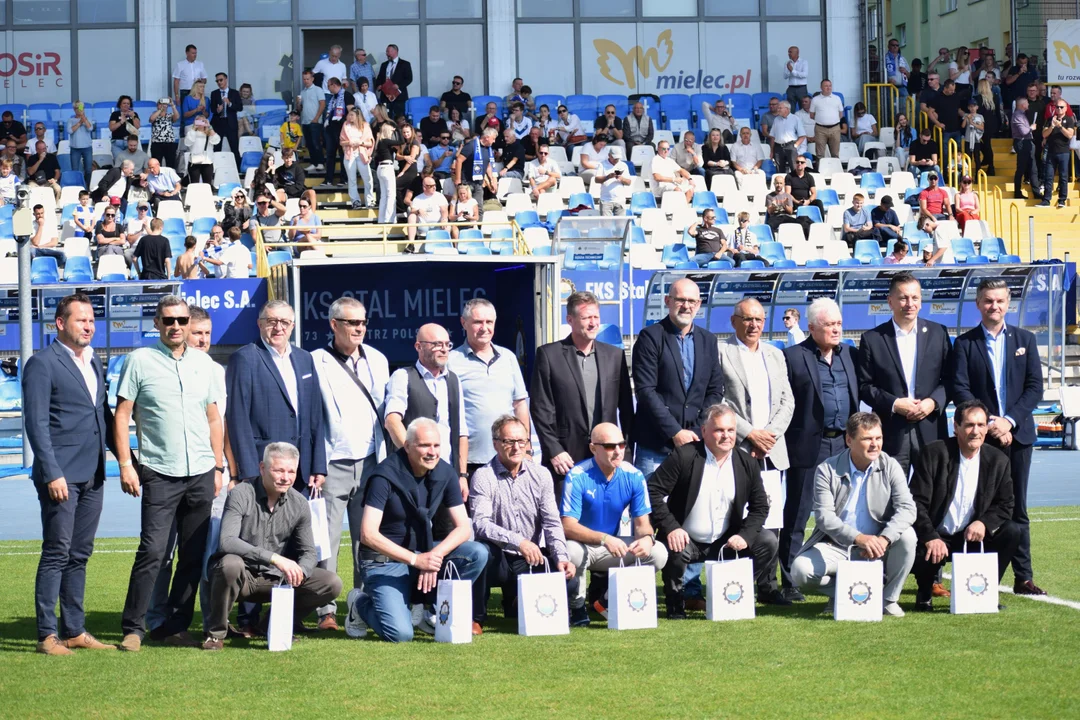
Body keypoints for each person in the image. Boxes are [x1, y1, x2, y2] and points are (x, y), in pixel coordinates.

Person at [115, 296, 225, 652]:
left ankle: (175, 626)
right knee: (153, 551)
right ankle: (134, 627)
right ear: (157, 323)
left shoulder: (204, 364)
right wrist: (125, 464)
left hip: (201, 471)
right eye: (168, 320)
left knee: (193, 556)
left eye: (180, 320)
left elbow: (213, 417)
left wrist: (219, 464)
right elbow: (122, 415)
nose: (175, 326)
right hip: (160, 471)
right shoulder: (139, 361)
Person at [25, 294, 115, 655]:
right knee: (57, 552)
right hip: (60, 476)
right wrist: (51, 473)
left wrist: (128, 461)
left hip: (93, 473)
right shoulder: (41, 364)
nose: (89, 326)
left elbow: (102, 416)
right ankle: (47, 634)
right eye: (81, 320)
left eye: (92, 320)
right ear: (60, 324)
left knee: (80, 553)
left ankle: (75, 630)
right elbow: (36, 424)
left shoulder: (94, 362)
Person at [344, 418, 489, 641]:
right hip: (383, 561)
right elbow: (368, 534)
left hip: (423, 553)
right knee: (400, 635)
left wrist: (433, 556)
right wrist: (415, 560)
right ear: (408, 445)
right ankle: (360, 603)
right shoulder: (384, 476)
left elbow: (463, 528)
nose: (432, 452)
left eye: (436, 445)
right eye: (424, 445)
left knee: (477, 553)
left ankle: (430, 607)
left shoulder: (446, 472)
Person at [948, 278, 1045, 596]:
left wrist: (1009, 422)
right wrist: (990, 423)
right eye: (988, 301)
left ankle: (1023, 577)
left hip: (1017, 437)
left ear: (1009, 304)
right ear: (978, 304)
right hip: (981, 438)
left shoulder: (1025, 340)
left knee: (1018, 508)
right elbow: (959, 388)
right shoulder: (964, 344)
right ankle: (972, 574)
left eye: (1000, 301)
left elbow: (1034, 388)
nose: (995, 306)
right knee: (977, 506)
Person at [649, 404, 790, 619]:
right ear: (704, 431)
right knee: (675, 547)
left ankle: (732, 590)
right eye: (719, 430)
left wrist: (745, 536)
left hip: (727, 541)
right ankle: (675, 602)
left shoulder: (747, 463)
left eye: (731, 430)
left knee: (767, 542)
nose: (726, 436)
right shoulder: (683, 456)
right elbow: (652, 492)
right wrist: (672, 528)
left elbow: (760, 506)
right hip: (688, 539)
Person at [203, 442, 343, 650]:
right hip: (241, 578)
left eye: (291, 471)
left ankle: (274, 624)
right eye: (278, 470)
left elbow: (308, 552)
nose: (285, 477)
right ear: (262, 468)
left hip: (277, 579)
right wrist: (275, 558)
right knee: (230, 564)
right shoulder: (241, 493)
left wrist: (300, 571)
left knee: (331, 582)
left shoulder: (299, 503)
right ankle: (215, 634)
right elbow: (227, 541)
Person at [310, 297, 390, 630]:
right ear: (333, 324)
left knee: (367, 539)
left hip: (372, 461)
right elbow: (312, 418)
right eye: (351, 323)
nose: (358, 328)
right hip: (333, 463)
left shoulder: (379, 359)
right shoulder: (315, 361)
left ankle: (362, 603)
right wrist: (316, 464)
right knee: (325, 540)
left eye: (362, 323)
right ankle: (325, 610)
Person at [790, 412, 917, 617]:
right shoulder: (826, 469)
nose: (875, 444)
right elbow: (824, 517)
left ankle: (888, 599)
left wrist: (884, 539)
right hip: (838, 546)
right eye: (867, 438)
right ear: (849, 440)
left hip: (879, 547)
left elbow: (908, 508)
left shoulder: (890, 465)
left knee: (908, 536)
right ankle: (846, 592)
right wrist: (858, 539)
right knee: (800, 571)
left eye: (878, 438)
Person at [780, 298, 859, 601]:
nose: (836, 329)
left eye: (838, 324)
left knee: (843, 514)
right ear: (812, 328)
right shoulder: (793, 357)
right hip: (808, 447)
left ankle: (841, 575)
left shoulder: (850, 356)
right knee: (798, 514)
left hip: (844, 445)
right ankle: (789, 582)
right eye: (829, 325)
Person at [909, 400, 1022, 613]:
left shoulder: (998, 460)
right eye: (970, 425)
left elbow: (1006, 504)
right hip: (936, 536)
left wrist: (984, 522)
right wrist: (930, 536)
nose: (976, 431)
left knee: (1012, 531)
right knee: (911, 538)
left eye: (981, 425)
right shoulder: (934, 453)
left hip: (971, 537)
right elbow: (916, 502)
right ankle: (924, 592)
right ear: (956, 427)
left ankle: (986, 590)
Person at [470, 414, 575, 623]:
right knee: (480, 553)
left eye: (521, 441)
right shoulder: (483, 476)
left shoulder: (542, 474)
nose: (517, 447)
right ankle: (477, 618)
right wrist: (519, 541)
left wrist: (561, 557)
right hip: (497, 556)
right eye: (509, 442)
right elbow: (481, 524)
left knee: (566, 577)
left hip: (529, 557)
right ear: (496, 444)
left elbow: (552, 522)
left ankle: (515, 601)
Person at [562, 422, 668, 626]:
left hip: (613, 546)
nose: (618, 451)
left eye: (621, 444)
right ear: (593, 448)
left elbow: (642, 524)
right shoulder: (577, 475)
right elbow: (567, 526)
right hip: (583, 545)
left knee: (658, 553)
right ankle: (577, 607)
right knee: (570, 551)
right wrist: (603, 538)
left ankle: (607, 601)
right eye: (610, 446)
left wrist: (646, 538)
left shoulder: (634, 476)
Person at [531, 292, 634, 497]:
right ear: (570, 319)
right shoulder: (549, 355)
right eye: (586, 318)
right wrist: (554, 450)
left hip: (608, 456)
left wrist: (626, 453)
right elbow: (541, 409)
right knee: (566, 524)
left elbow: (627, 410)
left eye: (596, 317)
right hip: (566, 459)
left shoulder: (614, 355)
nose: (593, 323)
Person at [226, 299, 326, 500]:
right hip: (264, 468)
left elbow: (315, 415)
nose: (278, 327)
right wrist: (248, 471)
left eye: (284, 322)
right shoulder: (245, 358)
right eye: (271, 321)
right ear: (260, 324)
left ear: (292, 326)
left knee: (298, 529)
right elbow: (238, 418)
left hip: (301, 468)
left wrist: (318, 466)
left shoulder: (305, 358)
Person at [856, 272, 950, 481]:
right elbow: (864, 386)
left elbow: (951, 379)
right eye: (903, 298)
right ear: (890, 301)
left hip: (931, 428)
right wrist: (895, 403)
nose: (910, 303)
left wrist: (932, 402)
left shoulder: (938, 333)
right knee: (889, 495)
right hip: (891, 431)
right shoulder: (872, 339)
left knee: (934, 495)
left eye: (915, 298)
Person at [631, 278, 724, 480]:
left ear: (699, 305)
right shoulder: (650, 337)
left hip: (696, 443)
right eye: (680, 300)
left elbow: (715, 391)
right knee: (652, 510)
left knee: (691, 510)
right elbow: (646, 392)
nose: (686, 306)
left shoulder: (708, 340)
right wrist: (675, 432)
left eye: (692, 301)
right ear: (667, 301)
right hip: (656, 447)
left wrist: (697, 430)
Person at [448, 299, 530, 477]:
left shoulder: (508, 357)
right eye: (478, 322)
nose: (484, 328)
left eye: (489, 322)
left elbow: (520, 405)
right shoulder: (451, 361)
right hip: (469, 461)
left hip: (508, 457)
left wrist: (527, 449)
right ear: (464, 323)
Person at [385, 323, 469, 493]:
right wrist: (412, 458)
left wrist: (462, 475)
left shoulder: (453, 380)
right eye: (437, 344)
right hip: (412, 475)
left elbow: (461, 431)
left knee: (451, 520)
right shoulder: (403, 376)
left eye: (447, 344)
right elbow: (392, 421)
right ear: (419, 346)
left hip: (448, 473)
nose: (444, 349)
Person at [718, 298, 794, 472]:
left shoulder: (775, 355)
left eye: (758, 320)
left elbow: (787, 401)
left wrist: (767, 437)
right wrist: (750, 434)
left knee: (771, 500)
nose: (754, 325)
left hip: (772, 451)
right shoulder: (720, 352)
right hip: (736, 449)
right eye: (747, 319)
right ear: (733, 321)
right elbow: (718, 401)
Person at [1038, 96, 1075, 209]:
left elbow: (1069, 135)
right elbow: (1044, 134)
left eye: (1061, 107)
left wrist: (1060, 126)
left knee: (1063, 177)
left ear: (1065, 108)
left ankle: (1062, 200)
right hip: (1051, 152)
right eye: (1056, 107)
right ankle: (1046, 200)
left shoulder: (1069, 119)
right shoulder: (1050, 119)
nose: (1058, 109)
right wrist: (1052, 126)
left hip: (1063, 152)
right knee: (1049, 177)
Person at [453, 127, 498, 211]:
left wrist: (491, 179)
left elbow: (488, 165)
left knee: (478, 208)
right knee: (465, 207)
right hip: (466, 182)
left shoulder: (488, 149)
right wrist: (458, 179)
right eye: (493, 139)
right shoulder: (471, 145)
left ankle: (478, 224)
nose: (494, 141)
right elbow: (459, 160)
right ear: (487, 137)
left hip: (478, 183)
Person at [322, 77, 355, 188]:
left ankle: (344, 179)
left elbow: (352, 112)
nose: (328, 87)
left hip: (342, 130)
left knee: (342, 155)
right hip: (331, 130)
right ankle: (328, 179)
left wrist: (346, 123)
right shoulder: (333, 98)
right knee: (330, 155)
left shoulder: (347, 95)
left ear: (334, 85)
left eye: (329, 85)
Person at [340, 108, 375, 210]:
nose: (350, 117)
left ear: (357, 116)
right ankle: (355, 200)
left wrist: (360, 143)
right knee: (352, 179)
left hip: (362, 154)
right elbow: (341, 141)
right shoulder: (346, 126)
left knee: (368, 178)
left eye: (352, 115)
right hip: (350, 153)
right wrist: (349, 143)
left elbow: (371, 142)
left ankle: (370, 200)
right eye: (349, 115)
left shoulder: (365, 126)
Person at [372, 122, 403, 225]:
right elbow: (401, 142)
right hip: (387, 167)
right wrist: (398, 130)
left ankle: (382, 219)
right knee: (391, 195)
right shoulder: (385, 141)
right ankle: (389, 219)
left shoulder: (380, 142)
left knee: (384, 196)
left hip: (381, 168)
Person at [1011, 98, 1041, 201]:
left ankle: (1036, 192)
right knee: (1021, 168)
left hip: (1027, 142)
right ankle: (1017, 192)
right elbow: (1024, 131)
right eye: (1027, 103)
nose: (1028, 104)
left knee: (1033, 168)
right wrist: (1031, 127)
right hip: (1022, 142)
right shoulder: (1017, 115)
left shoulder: (1021, 115)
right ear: (1023, 105)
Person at [209, 73, 241, 168]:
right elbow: (212, 109)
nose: (219, 82)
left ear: (226, 79)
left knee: (234, 147)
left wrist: (230, 103)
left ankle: (238, 169)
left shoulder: (234, 93)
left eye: (221, 80)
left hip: (230, 123)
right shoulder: (214, 93)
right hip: (218, 123)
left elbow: (240, 107)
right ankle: (215, 168)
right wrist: (217, 110)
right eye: (217, 81)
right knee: (217, 147)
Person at [404, 174, 448, 244]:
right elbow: (412, 210)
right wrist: (418, 211)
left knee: (447, 224)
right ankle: (411, 243)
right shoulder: (417, 198)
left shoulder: (440, 196)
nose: (434, 187)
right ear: (424, 187)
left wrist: (444, 219)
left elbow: (444, 210)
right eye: (431, 186)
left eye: (434, 185)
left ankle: (446, 245)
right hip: (424, 225)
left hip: (438, 224)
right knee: (412, 216)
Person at [765, 172, 811, 240]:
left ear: (783, 184)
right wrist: (774, 206)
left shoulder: (788, 196)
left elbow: (790, 212)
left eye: (781, 183)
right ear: (774, 184)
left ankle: (806, 241)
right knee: (768, 226)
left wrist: (784, 205)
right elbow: (769, 211)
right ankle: (773, 243)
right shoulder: (769, 196)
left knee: (804, 222)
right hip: (776, 217)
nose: (779, 185)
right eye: (777, 183)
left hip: (786, 216)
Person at [173, 44, 207, 130]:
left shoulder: (200, 64)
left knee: (200, 111)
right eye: (192, 53)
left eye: (195, 53)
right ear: (187, 53)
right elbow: (176, 81)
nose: (194, 55)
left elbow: (205, 79)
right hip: (185, 91)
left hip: (197, 91)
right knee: (185, 114)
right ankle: (183, 136)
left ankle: (199, 129)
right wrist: (177, 96)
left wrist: (199, 81)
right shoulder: (180, 64)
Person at [298, 70, 326, 172]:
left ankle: (320, 162)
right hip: (305, 121)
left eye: (308, 79)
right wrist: (298, 103)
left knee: (316, 142)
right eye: (304, 79)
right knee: (309, 143)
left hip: (315, 121)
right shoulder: (302, 92)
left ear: (312, 79)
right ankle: (314, 162)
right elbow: (300, 109)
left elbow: (322, 104)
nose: (306, 81)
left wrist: (316, 118)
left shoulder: (318, 90)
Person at [809, 79, 845, 159]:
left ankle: (836, 170)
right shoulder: (815, 99)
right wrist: (822, 120)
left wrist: (832, 121)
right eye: (826, 86)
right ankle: (820, 170)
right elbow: (811, 115)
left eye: (830, 86)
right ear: (821, 87)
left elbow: (841, 114)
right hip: (820, 129)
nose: (828, 88)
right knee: (820, 154)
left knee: (835, 154)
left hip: (835, 129)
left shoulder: (837, 98)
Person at [375, 44, 413, 118]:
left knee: (399, 117)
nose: (387, 54)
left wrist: (399, 85)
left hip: (399, 96)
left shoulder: (405, 64)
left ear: (395, 51)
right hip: (386, 96)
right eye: (386, 52)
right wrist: (378, 85)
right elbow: (379, 78)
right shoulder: (384, 65)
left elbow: (409, 78)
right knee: (386, 116)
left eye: (388, 51)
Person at [768, 101, 805, 175]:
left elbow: (803, 135)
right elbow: (772, 136)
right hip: (778, 147)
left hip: (790, 146)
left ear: (787, 109)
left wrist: (795, 146)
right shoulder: (776, 120)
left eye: (780, 108)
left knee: (794, 168)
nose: (778, 109)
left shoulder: (795, 119)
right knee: (779, 169)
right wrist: (772, 151)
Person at [596, 146, 632, 216]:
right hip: (606, 200)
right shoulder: (602, 164)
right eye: (615, 158)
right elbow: (596, 180)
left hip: (620, 200)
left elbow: (629, 182)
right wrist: (608, 177)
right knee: (606, 226)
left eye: (618, 158)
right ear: (609, 155)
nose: (616, 160)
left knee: (621, 226)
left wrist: (621, 178)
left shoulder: (623, 165)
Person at [185, 117, 219, 190]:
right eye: (198, 121)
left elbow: (216, 140)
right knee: (194, 185)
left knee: (208, 184)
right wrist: (194, 129)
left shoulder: (209, 133)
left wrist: (209, 127)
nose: (200, 123)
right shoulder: (191, 132)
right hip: (194, 161)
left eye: (203, 121)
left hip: (207, 161)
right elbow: (188, 142)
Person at [67, 101, 95, 184]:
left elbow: (90, 128)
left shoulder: (88, 119)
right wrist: (79, 122)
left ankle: (87, 186)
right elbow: (69, 131)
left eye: (81, 108)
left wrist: (84, 119)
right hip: (75, 148)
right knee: (75, 169)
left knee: (88, 169)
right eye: (77, 108)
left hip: (87, 147)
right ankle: (76, 185)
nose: (79, 110)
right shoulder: (71, 120)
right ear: (74, 109)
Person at [29, 204, 64, 268]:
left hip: (48, 250)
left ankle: (48, 266)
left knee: (62, 256)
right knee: (31, 251)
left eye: (42, 213)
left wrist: (40, 246)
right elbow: (35, 242)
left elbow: (54, 242)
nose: (40, 216)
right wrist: (40, 226)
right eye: (38, 214)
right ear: (34, 214)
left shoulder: (50, 223)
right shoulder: (31, 225)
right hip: (37, 251)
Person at [149, 97, 180, 169]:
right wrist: (160, 110)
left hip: (169, 143)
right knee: (156, 163)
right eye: (161, 104)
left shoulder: (169, 115)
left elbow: (177, 117)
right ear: (157, 105)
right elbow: (151, 119)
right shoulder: (155, 114)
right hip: (157, 143)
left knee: (171, 163)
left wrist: (172, 105)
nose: (163, 105)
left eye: (165, 104)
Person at [884, 39, 910, 104]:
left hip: (902, 87)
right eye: (893, 45)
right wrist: (888, 80)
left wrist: (906, 71)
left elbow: (909, 75)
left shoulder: (902, 59)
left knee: (904, 108)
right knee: (892, 109)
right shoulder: (884, 58)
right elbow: (879, 73)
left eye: (897, 45)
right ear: (888, 46)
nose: (895, 47)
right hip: (890, 87)